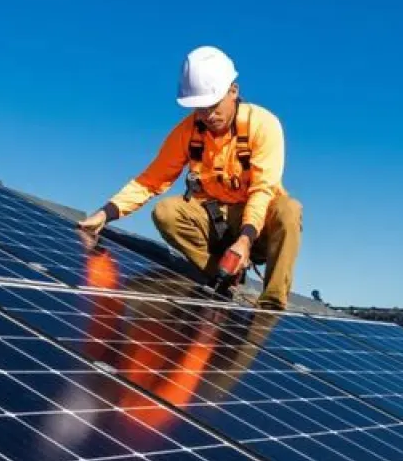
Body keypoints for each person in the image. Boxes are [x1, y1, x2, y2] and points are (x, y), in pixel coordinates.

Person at [78, 46, 302, 310]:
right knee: (166, 212)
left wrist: (245, 240)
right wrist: (105, 214)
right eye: (200, 108)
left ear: (234, 91)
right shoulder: (188, 132)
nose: (208, 116)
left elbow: (262, 190)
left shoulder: (263, 125)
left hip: (258, 226)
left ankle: (271, 306)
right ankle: (222, 275)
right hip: (214, 221)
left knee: (289, 210)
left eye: (213, 105)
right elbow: (151, 179)